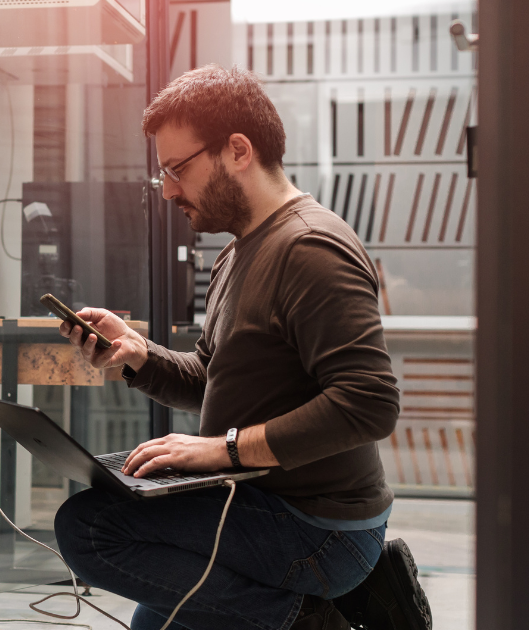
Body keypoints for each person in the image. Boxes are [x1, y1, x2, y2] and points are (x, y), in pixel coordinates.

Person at [53, 65, 432, 630]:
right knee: (153, 622)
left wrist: (223, 450)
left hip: (321, 528)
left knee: (91, 526)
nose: (169, 191)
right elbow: (212, 375)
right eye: (162, 175)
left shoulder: (310, 247)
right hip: (263, 499)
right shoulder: (238, 251)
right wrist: (139, 354)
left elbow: (369, 403)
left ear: (237, 150)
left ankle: (308, 622)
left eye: (176, 170)